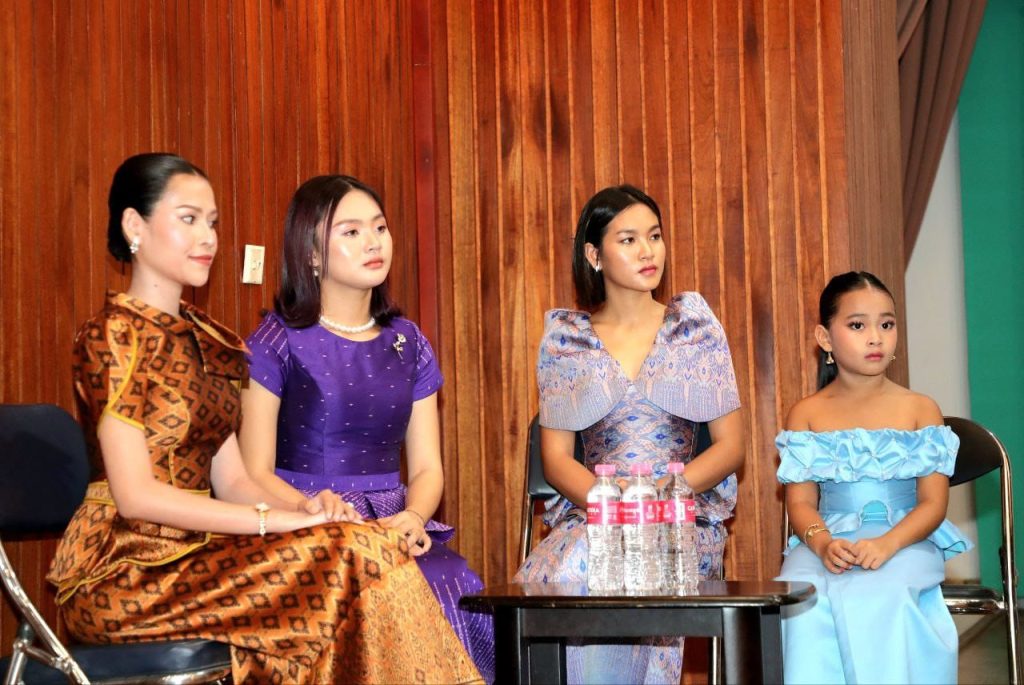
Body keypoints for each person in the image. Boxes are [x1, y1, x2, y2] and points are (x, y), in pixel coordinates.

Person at [47, 153, 481, 685]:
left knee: (359, 546)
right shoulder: (113, 334)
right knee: (354, 556)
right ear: (135, 226)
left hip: (198, 555)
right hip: (126, 569)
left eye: (212, 222)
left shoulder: (209, 340)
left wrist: (310, 509)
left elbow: (234, 481)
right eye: (188, 219)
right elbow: (136, 497)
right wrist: (281, 521)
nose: (207, 237)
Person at [239, 174, 494, 681]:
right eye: (351, 232)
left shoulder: (409, 341)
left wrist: (415, 517)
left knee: (448, 580)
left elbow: (427, 467)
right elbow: (252, 472)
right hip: (307, 521)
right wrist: (311, 509)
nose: (373, 242)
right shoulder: (276, 340)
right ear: (312, 253)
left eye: (379, 227)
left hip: (392, 521)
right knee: (379, 588)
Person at [513, 185, 745, 684]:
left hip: (680, 518)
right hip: (595, 514)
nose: (647, 251)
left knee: (633, 558)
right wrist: (613, 503)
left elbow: (731, 447)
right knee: (579, 562)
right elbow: (557, 460)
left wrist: (659, 495)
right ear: (594, 255)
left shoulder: (694, 328)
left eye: (655, 236)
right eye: (629, 239)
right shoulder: (566, 340)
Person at [775, 271, 971, 684]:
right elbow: (800, 503)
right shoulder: (805, 413)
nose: (875, 338)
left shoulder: (920, 408)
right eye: (857, 325)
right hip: (827, 539)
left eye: (886, 324)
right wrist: (823, 544)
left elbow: (934, 503)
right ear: (825, 338)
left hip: (905, 539)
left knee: (879, 592)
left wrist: (887, 543)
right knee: (800, 592)